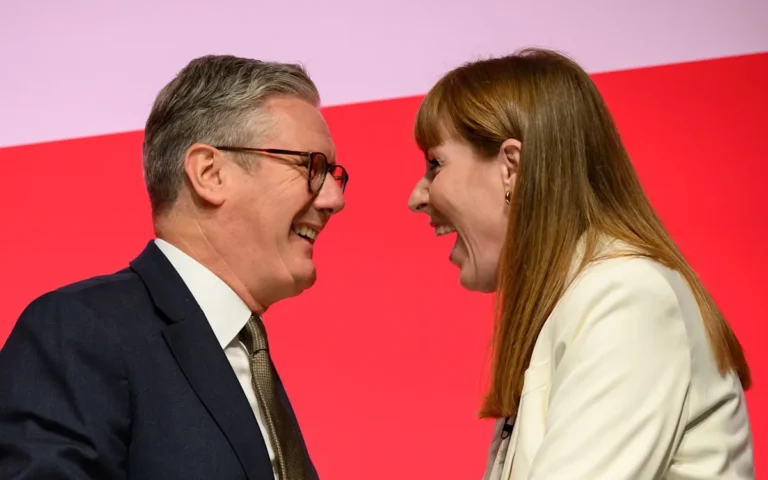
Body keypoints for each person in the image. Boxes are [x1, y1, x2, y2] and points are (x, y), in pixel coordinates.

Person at [407, 48, 754, 479]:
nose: (417, 197)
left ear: (511, 169)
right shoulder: (578, 301)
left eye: (435, 165)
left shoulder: (626, 297)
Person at [0, 54, 347, 480]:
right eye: (310, 166)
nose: (334, 198)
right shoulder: (80, 329)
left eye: (334, 173)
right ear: (210, 173)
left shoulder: (245, 354)